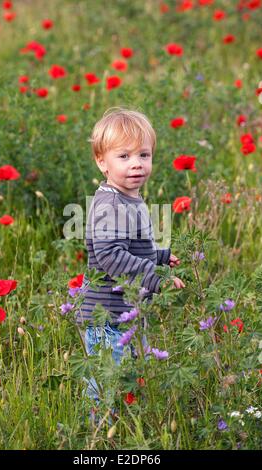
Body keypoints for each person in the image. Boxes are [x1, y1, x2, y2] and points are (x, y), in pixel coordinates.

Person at [76, 106, 185, 412]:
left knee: (125, 382)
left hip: (124, 313)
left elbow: (132, 246)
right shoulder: (110, 203)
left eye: (144, 155)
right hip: (106, 319)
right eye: (123, 156)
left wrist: (160, 257)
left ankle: (120, 430)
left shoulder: (128, 196)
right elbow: (111, 255)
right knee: (105, 389)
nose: (136, 164)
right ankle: (98, 441)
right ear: (102, 162)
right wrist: (155, 277)